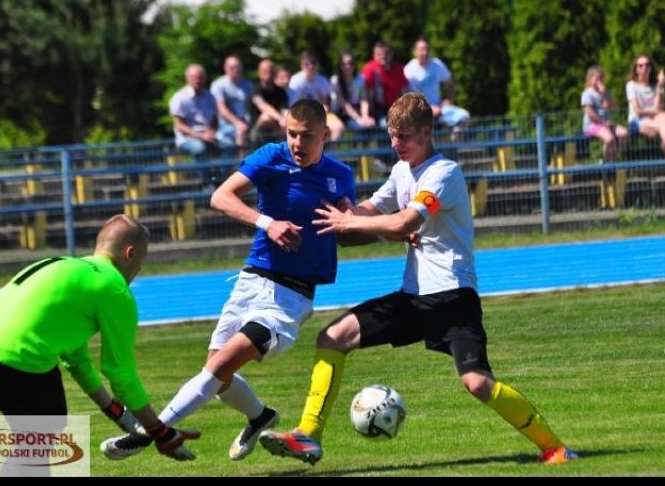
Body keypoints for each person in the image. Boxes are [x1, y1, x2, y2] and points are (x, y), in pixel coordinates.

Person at [259, 92, 578, 466]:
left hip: (453, 298)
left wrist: (363, 222)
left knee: (476, 383)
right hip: (413, 298)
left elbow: (403, 221)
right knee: (333, 337)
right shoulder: (400, 171)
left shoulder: (444, 172)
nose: (397, 144)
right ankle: (307, 435)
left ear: (426, 132)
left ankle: (555, 448)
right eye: (392, 136)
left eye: (405, 136)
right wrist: (340, 212)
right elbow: (364, 217)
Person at [101, 99, 363, 463]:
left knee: (220, 366)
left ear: (325, 135)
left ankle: (149, 433)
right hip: (251, 280)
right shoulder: (271, 155)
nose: (297, 144)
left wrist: (372, 224)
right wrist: (267, 223)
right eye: (291, 134)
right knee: (219, 378)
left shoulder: (339, 176)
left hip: (290, 297)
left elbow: (351, 228)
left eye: (306, 136)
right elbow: (220, 197)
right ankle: (260, 416)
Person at [0, 214, 201, 471]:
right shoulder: (113, 287)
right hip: (19, 357)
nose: (139, 270)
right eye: (141, 261)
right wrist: (160, 432)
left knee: (37, 439)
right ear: (129, 253)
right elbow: (121, 374)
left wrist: (113, 410)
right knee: (40, 440)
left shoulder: (67, 267)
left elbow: (75, 359)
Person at [625, 54, 665, 178]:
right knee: (664, 126)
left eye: (647, 65)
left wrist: (660, 86)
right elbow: (638, 111)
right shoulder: (631, 85)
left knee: (663, 118)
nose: (644, 68)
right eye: (640, 65)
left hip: (654, 119)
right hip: (637, 121)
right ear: (636, 69)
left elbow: (659, 107)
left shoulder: (654, 85)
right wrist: (655, 112)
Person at [403, 36, 471, 141]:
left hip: (439, 108)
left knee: (464, 117)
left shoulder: (437, 65)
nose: (424, 52)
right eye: (421, 49)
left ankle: (453, 145)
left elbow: (450, 85)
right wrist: (427, 108)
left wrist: (448, 100)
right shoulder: (408, 70)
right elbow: (406, 97)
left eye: (427, 49)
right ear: (414, 51)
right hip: (418, 112)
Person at [289, 51, 345, 141]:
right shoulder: (295, 81)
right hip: (300, 116)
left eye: (313, 63)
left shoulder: (323, 81)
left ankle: (328, 152)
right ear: (301, 65)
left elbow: (326, 103)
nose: (310, 66)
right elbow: (294, 106)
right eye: (306, 64)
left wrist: (324, 107)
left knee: (338, 127)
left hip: (320, 115)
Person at [582, 65, 628, 162]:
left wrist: (604, 94)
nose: (599, 81)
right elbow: (589, 112)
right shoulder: (587, 93)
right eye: (596, 78)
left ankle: (610, 156)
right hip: (593, 125)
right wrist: (602, 123)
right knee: (609, 139)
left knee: (624, 133)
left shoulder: (606, 92)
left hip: (607, 123)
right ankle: (606, 163)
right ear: (590, 79)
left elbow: (612, 107)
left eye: (601, 78)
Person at [360, 40, 410, 128]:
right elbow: (365, 94)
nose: (383, 56)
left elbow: (404, 92)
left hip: (395, 108)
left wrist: (408, 109)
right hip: (377, 110)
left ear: (391, 54)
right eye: (379, 54)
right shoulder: (370, 70)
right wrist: (366, 115)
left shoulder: (398, 69)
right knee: (386, 125)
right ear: (374, 55)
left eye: (386, 53)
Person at [212, 54, 253, 150]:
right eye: (232, 67)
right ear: (225, 68)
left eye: (237, 67)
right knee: (239, 133)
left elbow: (251, 105)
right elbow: (222, 109)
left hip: (246, 123)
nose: (235, 70)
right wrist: (238, 123)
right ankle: (240, 162)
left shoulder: (248, 84)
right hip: (225, 127)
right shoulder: (218, 85)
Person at [331, 51, 376, 129]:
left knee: (370, 124)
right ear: (340, 66)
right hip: (340, 112)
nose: (347, 66)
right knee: (360, 126)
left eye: (350, 63)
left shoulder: (360, 79)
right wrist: (359, 119)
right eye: (344, 64)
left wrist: (365, 116)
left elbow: (364, 100)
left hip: (356, 109)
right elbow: (344, 105)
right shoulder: (335, 81)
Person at [248, 58, 288, 144]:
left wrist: (286, 119)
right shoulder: (255, 91)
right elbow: (264, 107)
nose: (267, 74)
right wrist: (280, 118)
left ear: (274, 73)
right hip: (257, 132)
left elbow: (285, 109)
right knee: (266, 117)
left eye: (270, 71)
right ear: (259, 73)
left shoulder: (280, 91)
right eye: (264, 71)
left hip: (278, 128)